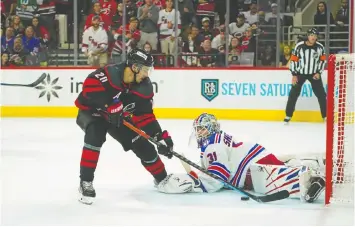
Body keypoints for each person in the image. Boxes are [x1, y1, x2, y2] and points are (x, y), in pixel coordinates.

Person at [75, 48, 174, 205]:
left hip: (119, 118)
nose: (147, 74)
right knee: (95, 135)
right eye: (146, 70)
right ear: (135, 67)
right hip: (93, 112)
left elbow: (145, 116)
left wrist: (158, 136)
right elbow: (89, 88)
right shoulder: (110, 74)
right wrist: (108, 104)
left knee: (141, 144)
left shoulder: (144, 86)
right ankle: (85, 182)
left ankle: (162, 179)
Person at [156, 113, 325, 203]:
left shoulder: (213, 146)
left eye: (201, 129)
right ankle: (313, 162)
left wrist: (192, 182)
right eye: (197, 129)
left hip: (253, 168)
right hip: (254, 158)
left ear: (211, 129)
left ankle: (315, 176)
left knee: (283, 180)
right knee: (282, 167)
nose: (198, 133)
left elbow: (217, 179)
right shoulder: (215, 140)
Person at [284, 28, 327, 123]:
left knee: (321, 95)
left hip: (314, 74)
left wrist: (318, 72)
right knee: (293, 94)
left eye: (315, 36)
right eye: (311, 35)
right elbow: (293, 60)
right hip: (300, 74)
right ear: (308, 36)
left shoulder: (320, 47)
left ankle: (325, 116)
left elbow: (323, 60)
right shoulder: (299, 46)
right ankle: (288, 115)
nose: (313, 37)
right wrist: (294, 74)